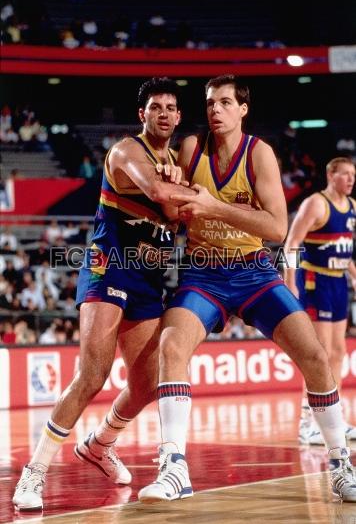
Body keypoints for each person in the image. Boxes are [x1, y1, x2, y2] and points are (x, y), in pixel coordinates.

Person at [138, 75, 356, 504]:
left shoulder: (260, 154)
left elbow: (277, 227)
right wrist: (167, 182)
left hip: (254, 270)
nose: (215, 110)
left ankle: (340, 464)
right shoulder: (189, 148)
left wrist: (214, 206)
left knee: (314, 354)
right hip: (204, 272)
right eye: (209, 103)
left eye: (224, 102)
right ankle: (174, 466)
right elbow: (176, 211)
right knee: (171, 345)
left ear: (243, 109)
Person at [12, 77, 196, 511]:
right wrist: (183, 191)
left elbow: (180, 213)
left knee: (146, 384)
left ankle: (100, 443)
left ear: (179, 115)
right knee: (93, 374)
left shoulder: (177, 165)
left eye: (171, 107)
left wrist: (183, 192)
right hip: (108, 264)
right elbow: (158, 192)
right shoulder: (128, 152)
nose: (164, 113)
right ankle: (33, 473)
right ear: (142, 114)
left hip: (148, 277)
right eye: (156, 107)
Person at [284, 157, 356, 445]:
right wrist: (290, 282)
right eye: (345, 174)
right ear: (330, 175)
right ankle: (307, 422)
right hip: (315, 282)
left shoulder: (352, 207)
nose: (351, 179)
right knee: (321, 354)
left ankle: (332, 417)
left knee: (338, 351)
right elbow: (291, 243)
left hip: (338, 281)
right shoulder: (315, 203)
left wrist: (353, 273)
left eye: (353, 174)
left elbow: (344, 248)